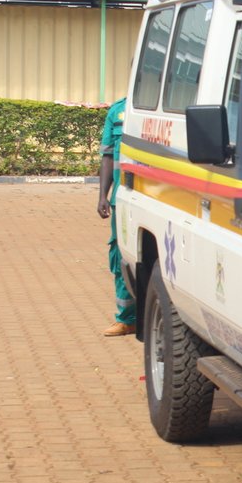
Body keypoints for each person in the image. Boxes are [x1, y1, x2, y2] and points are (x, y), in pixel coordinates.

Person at [97, 97, 136, 337]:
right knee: (120, 255)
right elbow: (108, 156)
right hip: (121, 198)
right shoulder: (118, 111)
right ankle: (126, 319)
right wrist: (103, 194)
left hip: (155, 199)